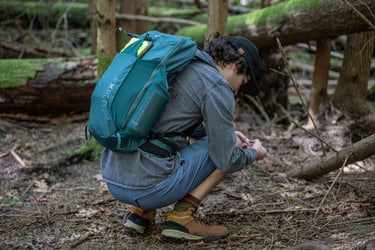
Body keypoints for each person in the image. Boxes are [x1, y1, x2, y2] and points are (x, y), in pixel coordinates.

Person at [100, 35, 268, 241]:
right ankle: (181, 218)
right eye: (243, 82)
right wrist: (253, 153)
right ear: (236, 65)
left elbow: (167, 124)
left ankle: (141, 213)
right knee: (234, 146)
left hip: (112, 178)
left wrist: (222, 133)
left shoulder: (179, 63)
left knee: (167, 140)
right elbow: (227, 159)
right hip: (148, 188)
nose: (237, 91)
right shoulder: (217, 86)